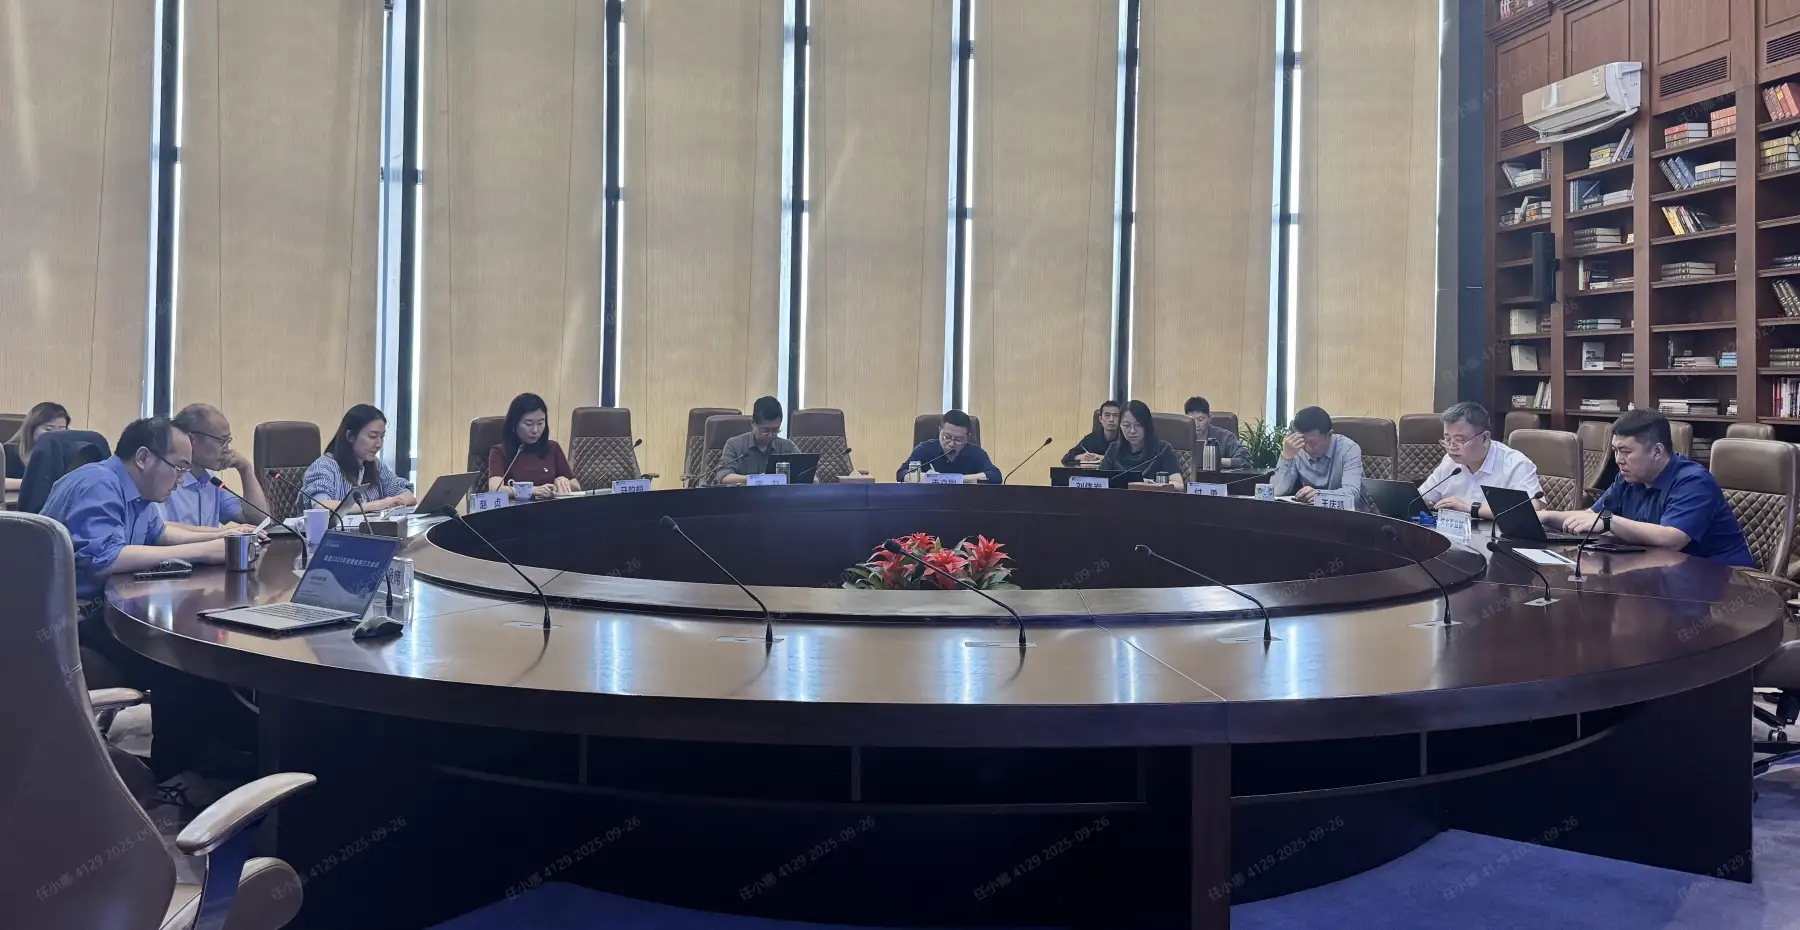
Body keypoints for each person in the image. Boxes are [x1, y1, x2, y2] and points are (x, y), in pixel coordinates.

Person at [40, 417, 242, 602]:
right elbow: (104, 558)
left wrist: (223, 537)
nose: (181, 480)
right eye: (179, 468)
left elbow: (159, 534)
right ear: (143, 458)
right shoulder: (99, 483)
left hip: (107, 602)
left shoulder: (139, 492)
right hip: (73, 612)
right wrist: (204, 552)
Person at [1538, 409, 1752, 566]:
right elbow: (1590, 517)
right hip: (1663, 571)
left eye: (1626, 451)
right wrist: (1546, 517)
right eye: (1615, 450)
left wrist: (1609, 522)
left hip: (1722, 580)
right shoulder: (1627, 478)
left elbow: (1672, 539)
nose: (1618, 459)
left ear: (1657, 451)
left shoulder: (1693, 482)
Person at [1417, 401, 1541, 519]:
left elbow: (1533, 510)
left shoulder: (1516, 464)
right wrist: (1425, 503)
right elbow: (1420, 498)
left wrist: (1470, 509)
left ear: (1484, 438)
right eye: (1447, 439)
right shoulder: (1449, 462)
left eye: (1459, 440)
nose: (1451, 447)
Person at [160, 403, 269, 533]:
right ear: (191, 440)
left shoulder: (210, 481)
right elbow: (159, 532)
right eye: (221, 441)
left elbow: (259, 521)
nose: (227, 450)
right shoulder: (165, 481)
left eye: (228, 441)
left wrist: (246, 470)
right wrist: (219, 534)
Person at [300, 404, 416, 513]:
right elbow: (321, 505)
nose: (379, 444)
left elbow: (408, 495)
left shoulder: (376, 465)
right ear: (350, 436)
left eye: (382, 437)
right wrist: (378, 505)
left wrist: (396, 501)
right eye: (372, 436)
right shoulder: (325, 466)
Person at [487, 393, 580, 497]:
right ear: (514, 423)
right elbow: (495, 489)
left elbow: (577, 487)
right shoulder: (499, 452)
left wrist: (563, 482)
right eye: (529, 424)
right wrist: (532, 490)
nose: (535, 430)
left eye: (540, 423)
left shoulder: (553, 448)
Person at [1271, 406, 1363, 503]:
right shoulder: (1296, 448)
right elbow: (1276, 492)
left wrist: (1320, 495)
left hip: (1344, 511)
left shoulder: (1348, 449)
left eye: (1313, 443)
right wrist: (1286, 457)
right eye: (1303, 442)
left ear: (1329, 435)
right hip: (1310, 510)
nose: (1307, 448)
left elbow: (1352, 494)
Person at [713, 396, 802, 485]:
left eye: (775, 430)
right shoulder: (734, 445)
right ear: (753, 423)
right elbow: (724, 477)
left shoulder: (787, 447)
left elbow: (807, 476)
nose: (770, 435)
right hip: (745, 493)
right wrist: (757, 479)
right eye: (765, 430)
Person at [898, 409, 1002, 484]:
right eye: (947, 437)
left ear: (967, 436)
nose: (951, 443)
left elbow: (995, 476)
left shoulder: (976, 453)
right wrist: (926, 477)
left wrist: (957, 479)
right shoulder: (924, 449)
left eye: (958, 439)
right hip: (930, 502)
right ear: (940, 431)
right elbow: (902, 473)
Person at [1100, 400, 1185, 489]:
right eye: (1126, 425)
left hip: (1152, 497)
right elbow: (1098, 480)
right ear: (1120, 425)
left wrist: (1152, 485)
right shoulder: (1114, 449)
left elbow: (1179, 485)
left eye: (1138, 425)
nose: (1132, 431)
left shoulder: (1162, 449)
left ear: (1147, 425)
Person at [5, 401, 71, 491]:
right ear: (31, 429)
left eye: (61, 429)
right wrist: (33, 484)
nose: (55, 435)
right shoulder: (8, 451)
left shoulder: (67, 454)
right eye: (48, 429)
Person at [1184, 397, 1249, 466]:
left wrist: (1216, 461)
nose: (1196, 424)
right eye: (1192, 420)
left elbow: (1245, 460)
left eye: (1200, 420)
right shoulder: (1180, 437)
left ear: (1209, 417)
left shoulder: (1226, 437)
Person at [1061, 400, 1122, 466]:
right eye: (1107, 415)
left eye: (1115, 415)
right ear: (1100, 419)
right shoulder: (1091, 439)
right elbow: (1065, 458)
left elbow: (1129, 461)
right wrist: (1078, 457)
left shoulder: (1126, 438)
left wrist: (1102, 457)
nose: (1111, 419)